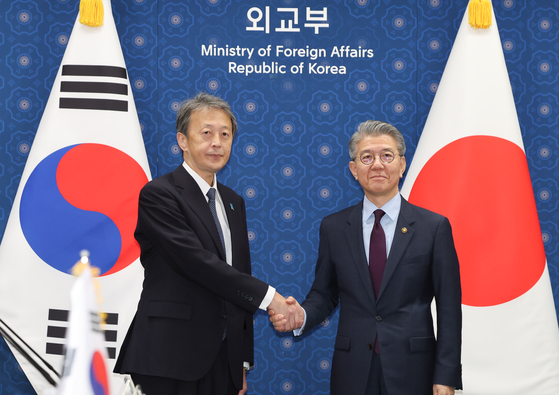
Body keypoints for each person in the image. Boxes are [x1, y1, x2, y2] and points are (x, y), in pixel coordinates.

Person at [114, 92, 303, 395]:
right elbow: (197, 262)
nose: (217, 142)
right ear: (183, 141)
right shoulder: (159, 194)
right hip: (169, 356)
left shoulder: (232, 202)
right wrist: (271, 298)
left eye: (225, 135)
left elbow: (239, 277)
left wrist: (241, 361)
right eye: (206, 133)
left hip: (223, 359)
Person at [270, 120, 462, 395]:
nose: (377, 165)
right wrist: (300, 314)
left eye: (387, 155)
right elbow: (324, 294)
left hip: (415, 370)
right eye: (367, 157)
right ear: (354, 169)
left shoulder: (434, 227)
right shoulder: (333, 227)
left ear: (402, 164)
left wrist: (446, 376)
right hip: (353, 369)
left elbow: (449, 309)